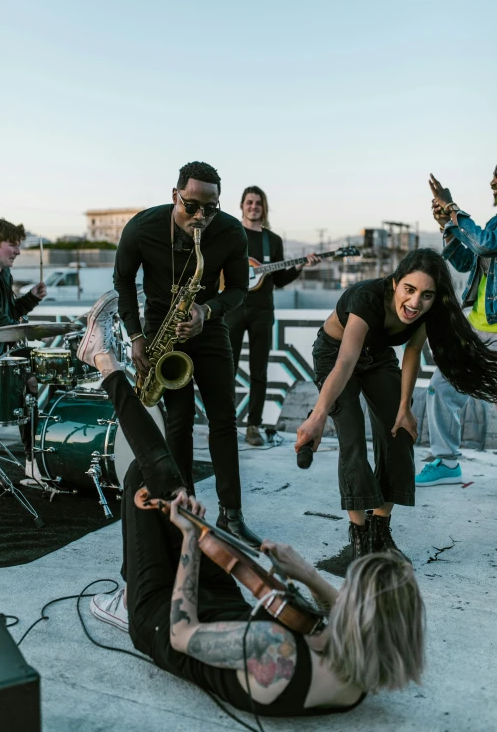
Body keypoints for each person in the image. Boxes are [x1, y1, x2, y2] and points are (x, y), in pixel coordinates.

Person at [77, 293, 426, 717]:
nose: (342, 597)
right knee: (178, 488)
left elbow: (182, 633)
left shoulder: (274, 652)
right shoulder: (364, 669)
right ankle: (107, 368)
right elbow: (343, 609)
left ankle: (104, 363)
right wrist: (304, 573)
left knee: (150, 478)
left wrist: (190, 541)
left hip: (162, 622)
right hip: (226, 610)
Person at [295, 248, 497, 560]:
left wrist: (404, 408)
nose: (416, 302)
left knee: (399, 432)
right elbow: (346, 361)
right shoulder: (366, 299)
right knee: (352, 438)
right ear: (394, 283)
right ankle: (359, 537)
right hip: (335, 354)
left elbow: (413, 352)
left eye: (427, 295)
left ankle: (380, 527)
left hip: (377, 356)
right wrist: (319, 414)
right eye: (410, 290)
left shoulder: (425, 312)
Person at [113, 161, 260, 547]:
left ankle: (232, 514)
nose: (200, 217)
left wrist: (206, 311)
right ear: (175, 194)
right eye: (191, 206)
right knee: (178, 420)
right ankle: (185, 507)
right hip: (162, 326)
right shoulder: (142, 228)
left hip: (207, 325)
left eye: (210, 208)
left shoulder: (230, 231)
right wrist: (136, 336)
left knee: (224, 420)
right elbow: (123, 283)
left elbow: (238, 291)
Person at [415, 170, 497, 486]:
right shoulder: (492, 223)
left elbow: (485, 245)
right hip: (476, 331)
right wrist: (447, 227)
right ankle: (447, 463)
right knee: (442, 387)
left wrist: (453, 208)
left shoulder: (490, 232)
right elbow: (466, 261)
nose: (491, 183)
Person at [226, 186, 319, 446]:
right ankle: (223, 424)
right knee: (226, 369)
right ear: (242, 206)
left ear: (264, 208)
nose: (254, 206)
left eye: (258, 203)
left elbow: (279, 280)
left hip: (262, 312)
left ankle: (253, 426)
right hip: (232, 309)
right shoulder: (231, 235)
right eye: (249, 202)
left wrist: (299, 265)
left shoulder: (272, 241)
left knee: (259, 371)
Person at [0, 218, 46, 480]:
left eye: (19, 246)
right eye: (12, 245)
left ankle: (33, 459)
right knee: (29, 381)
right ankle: (29, 460)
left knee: (34, 384)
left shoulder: (2, 271)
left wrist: (31, 298)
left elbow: (9, 314)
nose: (18, 251)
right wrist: (33, 332)